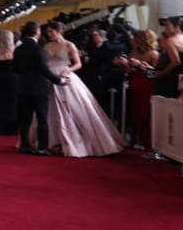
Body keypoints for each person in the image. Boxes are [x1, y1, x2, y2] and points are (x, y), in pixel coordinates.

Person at [40, 22, 125, 157]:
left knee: (74, 108)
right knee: (50, 110)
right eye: (48, 32)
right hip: (50, 79)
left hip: (66, 77)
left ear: (59, 31)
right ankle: (52, 141)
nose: (49, 34)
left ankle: (75, 140)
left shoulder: (69, 45)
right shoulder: (47, 46)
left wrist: (68, 70)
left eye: (51, 31)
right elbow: (43, 63)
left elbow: (78, 64)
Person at [13, 21, 67, 156]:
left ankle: (24, 146)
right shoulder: (40, 49)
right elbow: (44, 70)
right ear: (37, 33)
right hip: (39, 88)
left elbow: (15, 69)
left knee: (25, 119)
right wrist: (59, 80)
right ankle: (42, 148)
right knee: (42, 118)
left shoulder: (18, 49)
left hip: (23, 87)